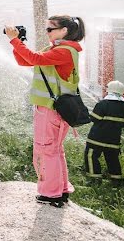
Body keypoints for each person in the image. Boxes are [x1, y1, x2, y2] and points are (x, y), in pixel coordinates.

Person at [6, 15, 86, 208]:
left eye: (50, 29)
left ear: (64, 31)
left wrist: (14, 40)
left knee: (46, 151)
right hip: (52, 109)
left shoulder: (64, 51)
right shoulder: (58, 50)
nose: (47, 33)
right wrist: (20, 42)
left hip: (50, 110)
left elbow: (33, 58)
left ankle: (51, 194)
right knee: (54, 151)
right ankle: (61, 190)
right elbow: (26, 61)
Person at [85, 80, 124, 181]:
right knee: (113, 159)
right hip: (113, 140)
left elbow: (94, 118)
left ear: (109, 91)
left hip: (96, 139)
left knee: (91, 157)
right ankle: (116, 179)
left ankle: (94, 178)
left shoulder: (103, 104)